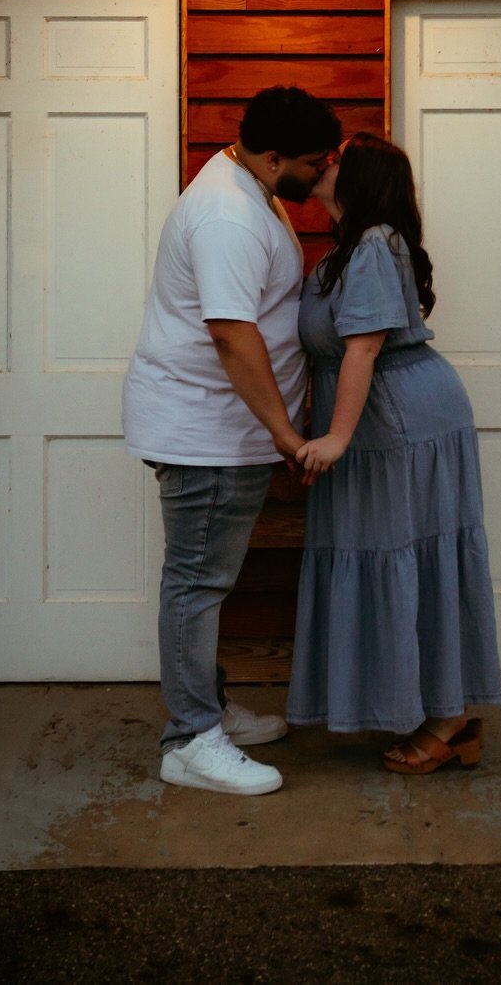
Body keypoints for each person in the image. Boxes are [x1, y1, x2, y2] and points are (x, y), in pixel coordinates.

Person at [123, 86, 342, 796]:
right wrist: (285, 432)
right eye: (315, 162)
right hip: (207, 431)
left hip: (221, 428)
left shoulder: (250, 188)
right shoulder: (226, 212)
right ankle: (189, 738)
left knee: (205, 579)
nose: (324, 171)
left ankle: (207, 709)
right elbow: (229, 329)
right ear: (273, 158)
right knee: (195, 581)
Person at [287, 132, 501, 771]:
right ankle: (433, 707)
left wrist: (336, 437)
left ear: (359, 181)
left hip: (400, 421)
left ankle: (451, 717)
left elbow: (363, 347)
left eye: (337, 159)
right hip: (378, 421)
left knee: (410, 552)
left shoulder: (376, 242)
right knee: (390, 551)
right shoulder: (349, 247)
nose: (324, 161)